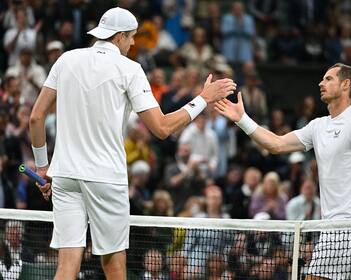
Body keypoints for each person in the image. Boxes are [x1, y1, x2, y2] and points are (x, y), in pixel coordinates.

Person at [29, 7, 236, 280]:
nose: (134, 43)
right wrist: (203, 99)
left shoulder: (66, 60)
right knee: (113, 265)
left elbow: (36, 117)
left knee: (67, 266)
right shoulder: (130, 69)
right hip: (105, 178)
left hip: (65, 175)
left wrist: (43, 168)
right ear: (119, 37)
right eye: (131, 37)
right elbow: (162, 128)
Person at [215, 63, 351, 279]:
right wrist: (242, 119)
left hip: (349, 228)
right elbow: (276, 144)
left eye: (329, 79)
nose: (321, 83)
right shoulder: (317, 126)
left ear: (346, 84)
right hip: (333, 229)